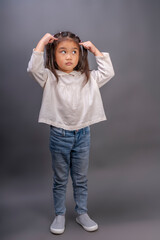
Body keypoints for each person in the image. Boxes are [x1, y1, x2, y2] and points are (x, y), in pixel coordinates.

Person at [27, 31, 115, 234]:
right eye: (63, 51)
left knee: (81, 178)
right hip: (59, 135)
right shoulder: (49, 78)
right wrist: (42, 42)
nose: (69, 56)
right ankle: (59, 214)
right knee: (60, 179)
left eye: (74, 51)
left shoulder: (88, 78)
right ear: (53, 55)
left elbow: (108, 72)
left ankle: (82, 212)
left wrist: (94, 50)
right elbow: (33, 67)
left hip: (83, 134)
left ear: (80, 55)